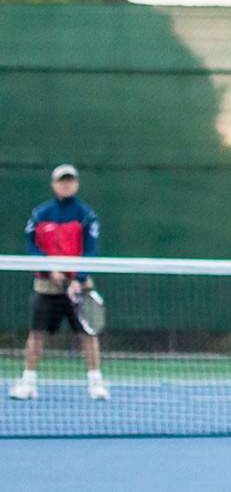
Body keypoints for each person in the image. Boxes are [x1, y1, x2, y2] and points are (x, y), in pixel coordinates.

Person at [8, 164, 108, 402]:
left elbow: (91, 250)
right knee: (37, 334)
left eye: (70, 180)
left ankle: (96, 384)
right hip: (46, 285)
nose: (66, 184)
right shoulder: (40, 214)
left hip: (79, 286)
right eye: (62, 180)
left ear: (76, 184)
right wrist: (50, 268)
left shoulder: (86, 214)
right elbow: (32, 245)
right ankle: (28, 383)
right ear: (54, 184)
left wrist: (79, 279)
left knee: (88, 335)